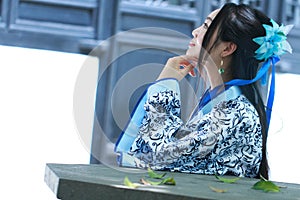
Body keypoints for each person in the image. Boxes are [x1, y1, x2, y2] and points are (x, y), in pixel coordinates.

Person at [114, 3, 293, 179]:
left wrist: (165, 84)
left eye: (206, 26)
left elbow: (155, 156)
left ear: (227, 48)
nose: (195, 31)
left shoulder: (235, 114)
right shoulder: (225, 105)